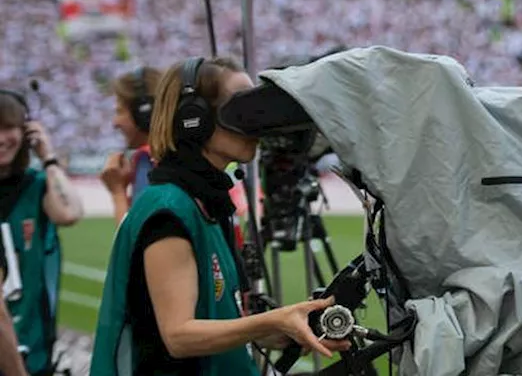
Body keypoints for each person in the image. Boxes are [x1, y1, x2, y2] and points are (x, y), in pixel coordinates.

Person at [89, 57, 347, 376]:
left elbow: (216, 321)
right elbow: (179, 336)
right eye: (240, 108)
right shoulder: (169, 209)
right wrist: (273, 319)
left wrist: (288, 329)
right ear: (192, 118)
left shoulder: (206, 202)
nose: (256, 122)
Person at [0, 88, 85, 376]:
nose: (2, 139)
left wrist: (48, 156)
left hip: (31, 343)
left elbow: (70, 212)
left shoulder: (34, 185)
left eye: (9, 127)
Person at [100, 67, 160, 225]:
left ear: (145, 113)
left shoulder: (148, 160)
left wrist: (117, 192)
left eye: (120, 112)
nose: (115, 122)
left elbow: (134, 242)